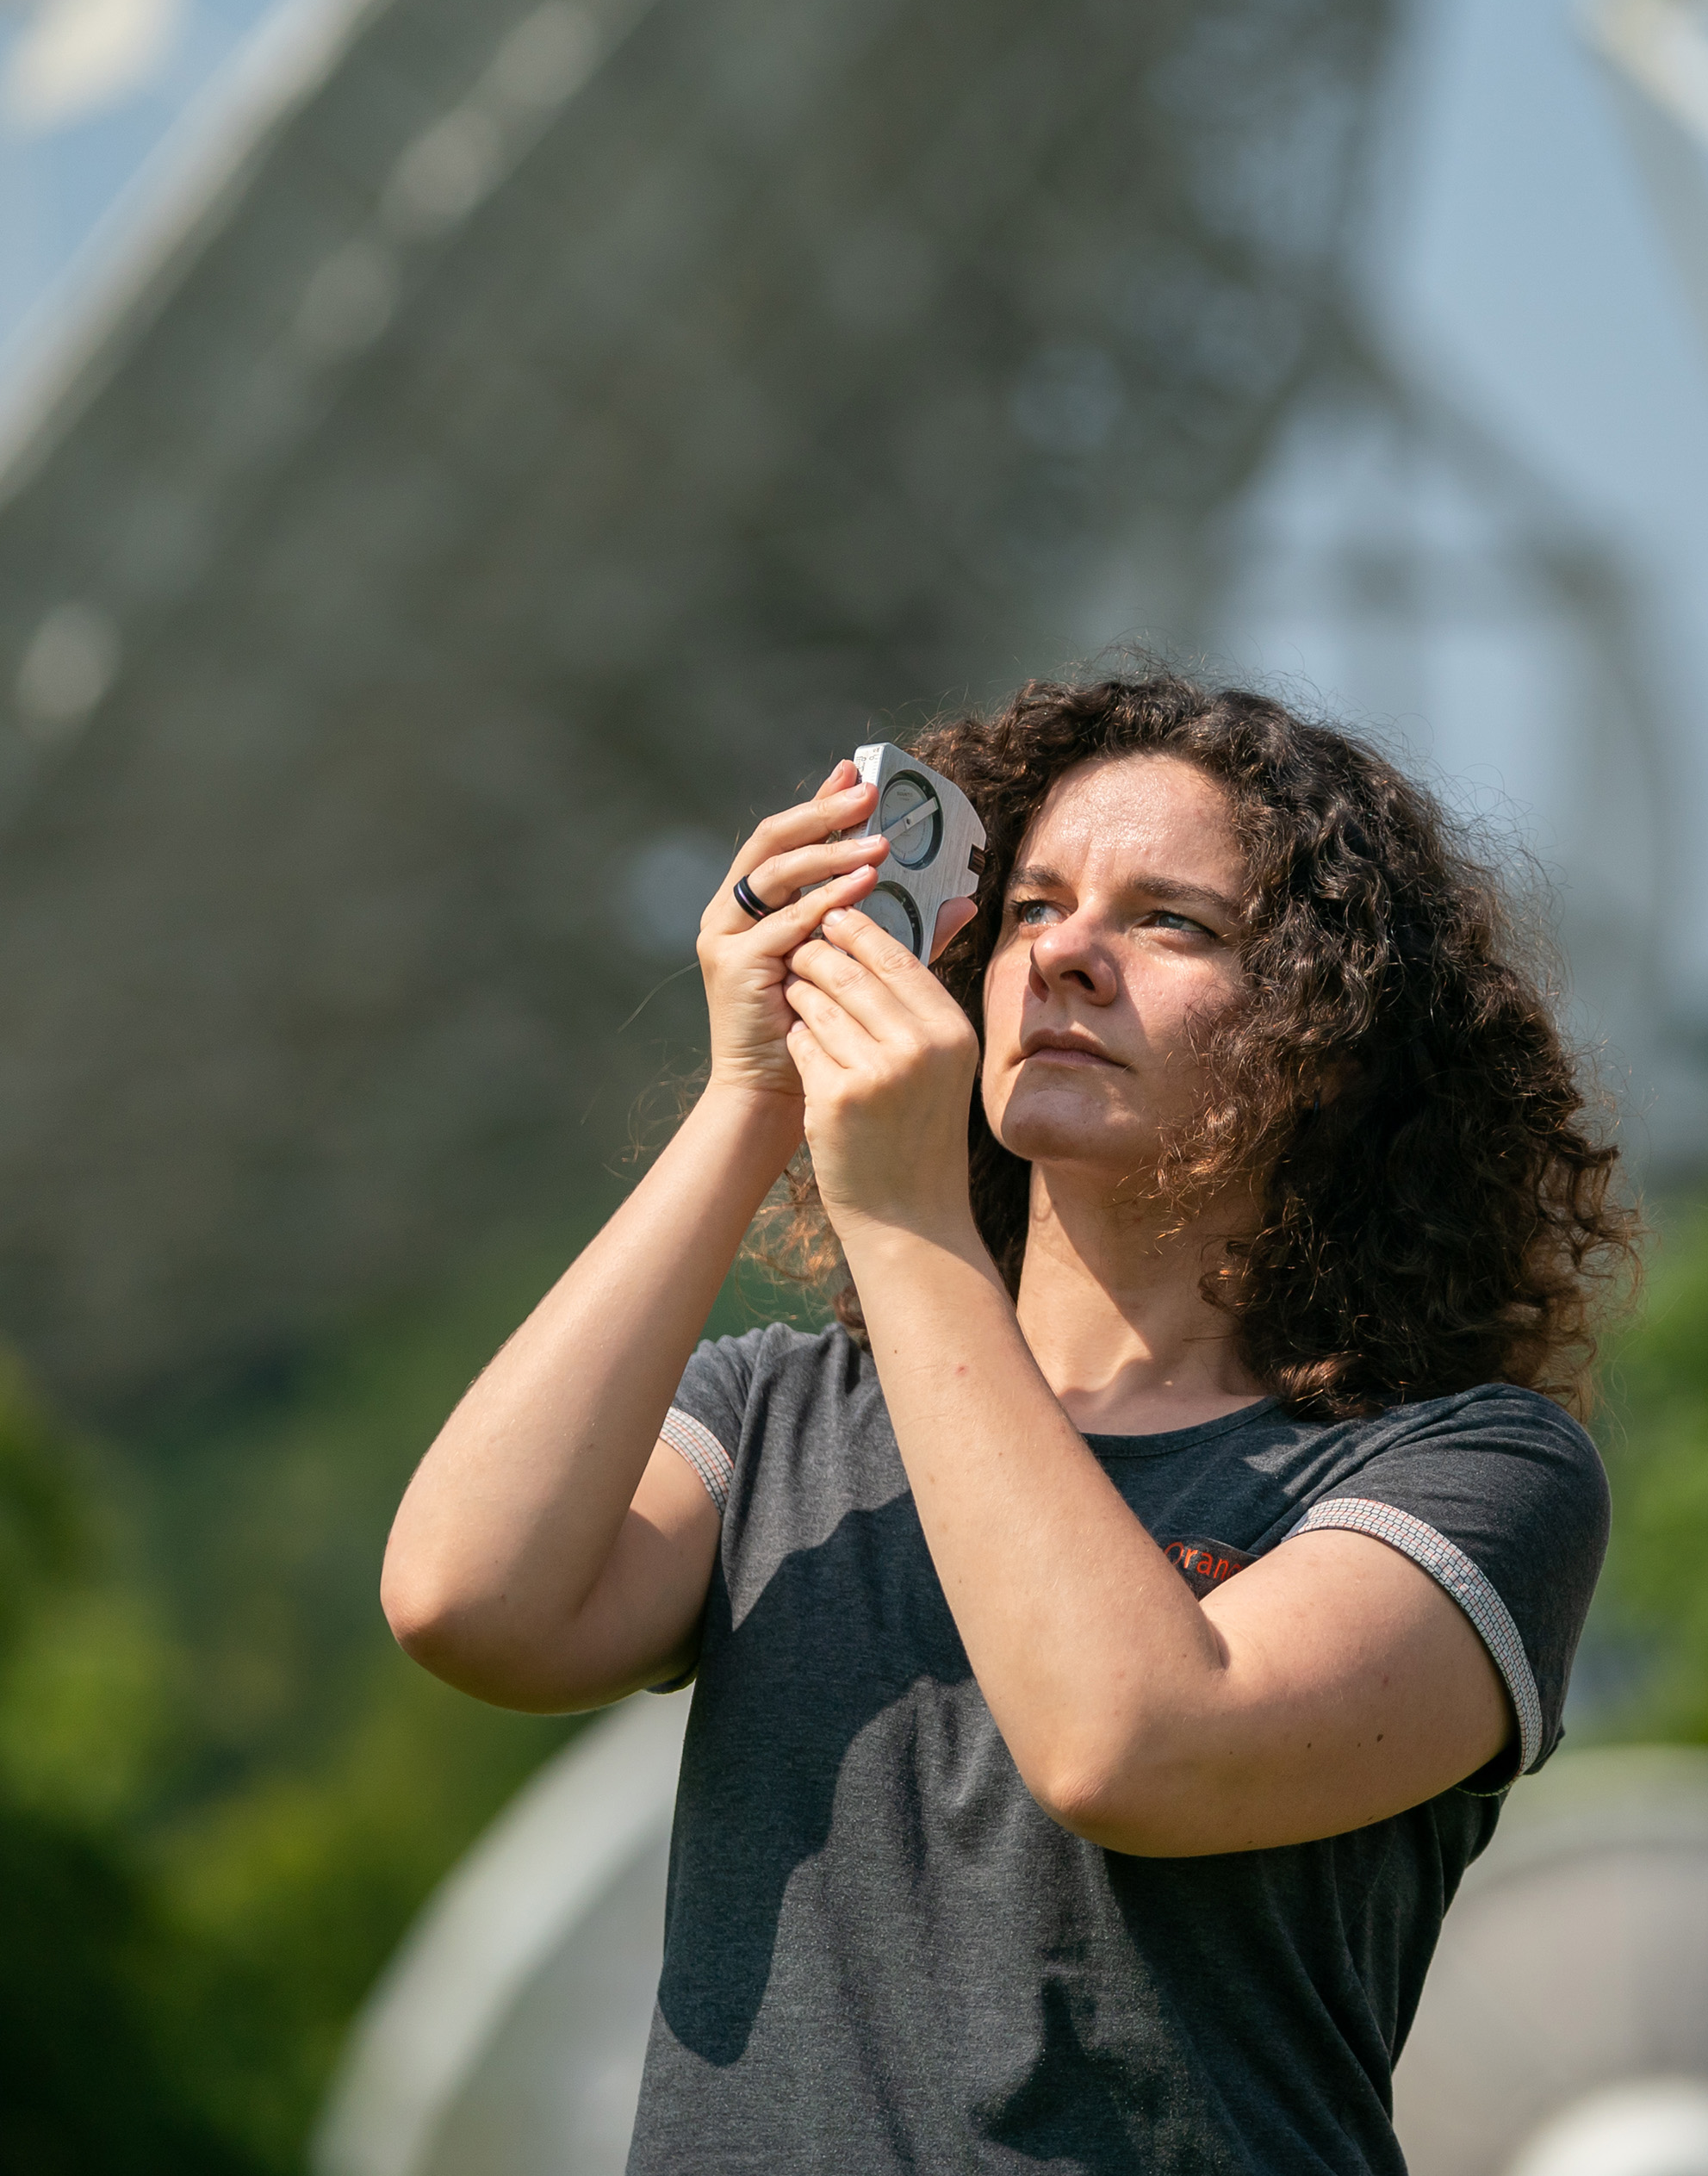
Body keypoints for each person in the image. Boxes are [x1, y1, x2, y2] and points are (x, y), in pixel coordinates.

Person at [381, 669, 1630, 2172]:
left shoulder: (1464, 1469)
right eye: (1031, 909)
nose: (1071, 958)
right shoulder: (780, 1413)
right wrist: (752, 1094)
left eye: (1173, 922)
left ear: (1334, 1039)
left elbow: (1133, 1746)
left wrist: (907, 1223)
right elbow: (469, 1602)